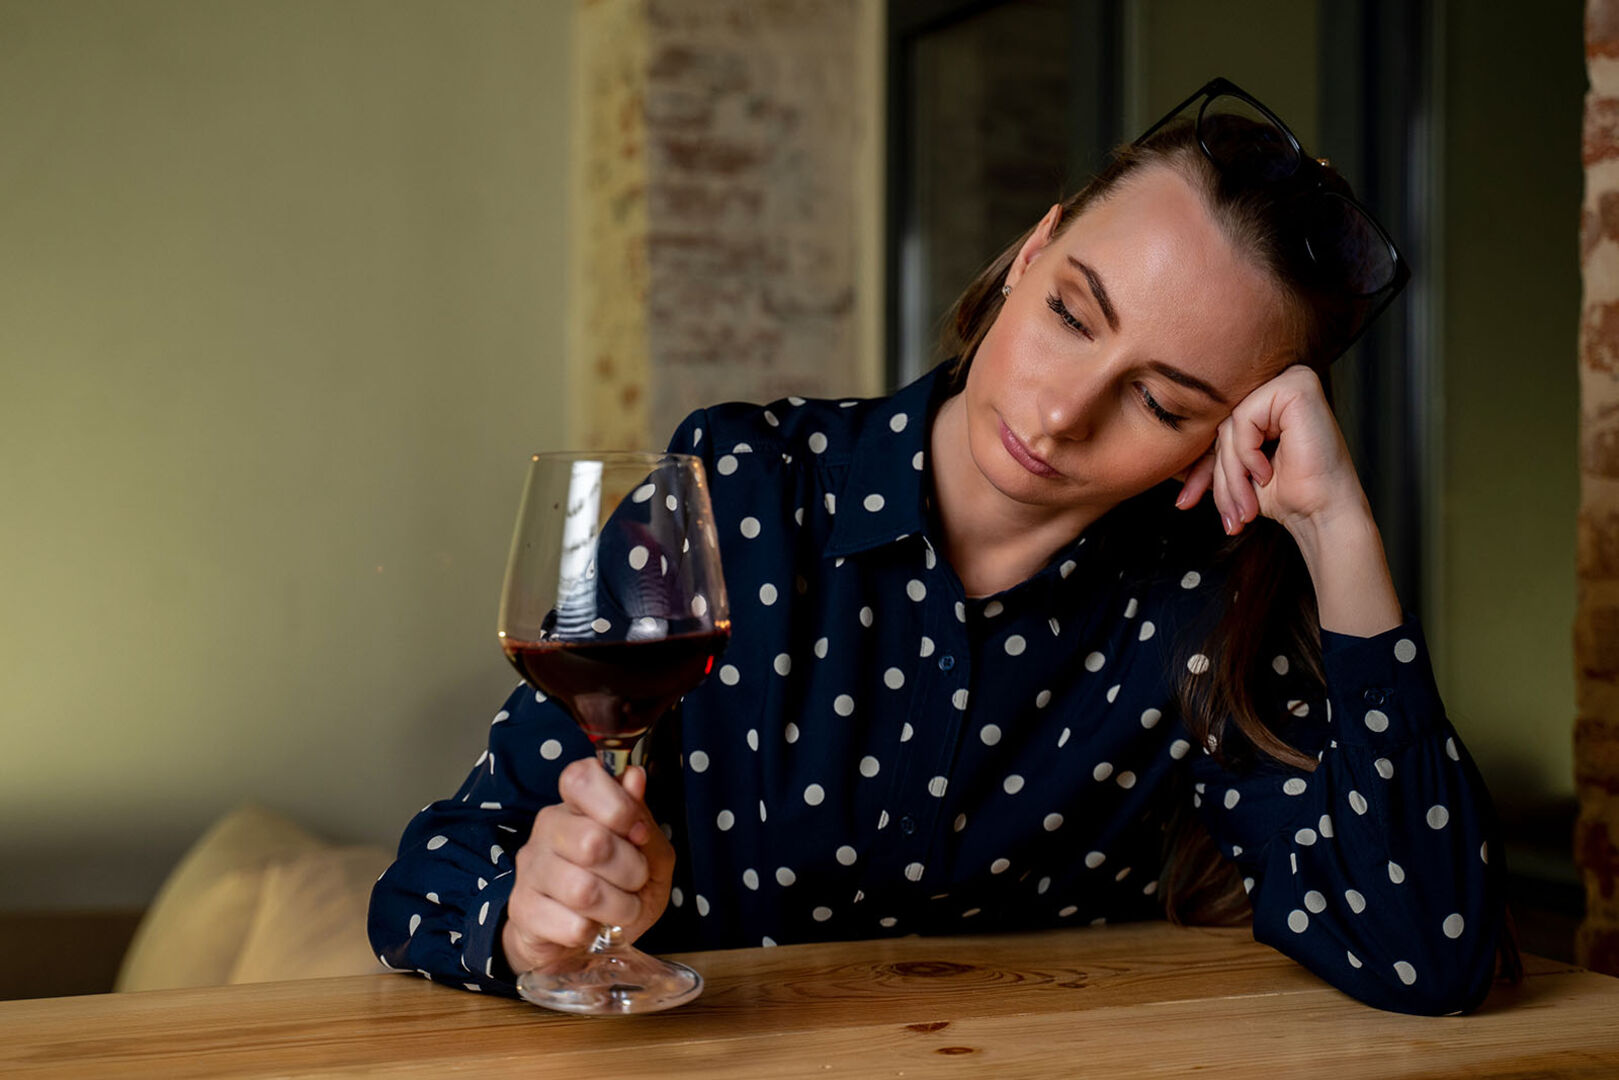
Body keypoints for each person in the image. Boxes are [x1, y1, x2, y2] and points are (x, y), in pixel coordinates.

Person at [369, 78, 1513, 1016]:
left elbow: (1426, 954)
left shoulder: (1199, 615)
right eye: (1071, 313)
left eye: (1161, 405)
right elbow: (424, 879)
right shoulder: (738, 489)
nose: (1061, 413)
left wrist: (1336, 531)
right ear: (1030, 252)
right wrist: (522, 917)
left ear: (1219, 442)